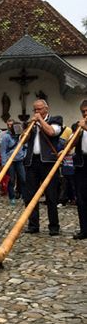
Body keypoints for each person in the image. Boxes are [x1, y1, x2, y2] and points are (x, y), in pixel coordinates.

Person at [22, 99, 63, 236]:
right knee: (30, 196)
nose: (36, 112)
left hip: (49, 162)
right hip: (32, 162)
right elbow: (23, 139)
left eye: (39, 109)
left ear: (46, 109)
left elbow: (52, 132)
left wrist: (40, 121)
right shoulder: (31, 124)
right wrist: (29, 127)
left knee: (51, 195)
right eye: (34, 110)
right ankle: (33, 225)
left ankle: (54, 226)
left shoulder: (56, 119)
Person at [0, 118, 26, 205]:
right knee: (11, 180)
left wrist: (24, 155)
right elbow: (3, 150)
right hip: (9, 161)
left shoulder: (21, 136)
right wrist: (3, 163)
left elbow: (26, 146)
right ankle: (12, 197)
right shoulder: (6, 137)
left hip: (19, 160)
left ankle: (24, 196)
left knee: (23, 178)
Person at [72, 100, 87, 240]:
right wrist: (79, 130)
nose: (85, 114)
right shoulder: (78, 126)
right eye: (83, 112)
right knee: (81, 199)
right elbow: (70, 143)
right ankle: (84, 229)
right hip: (82, 164)